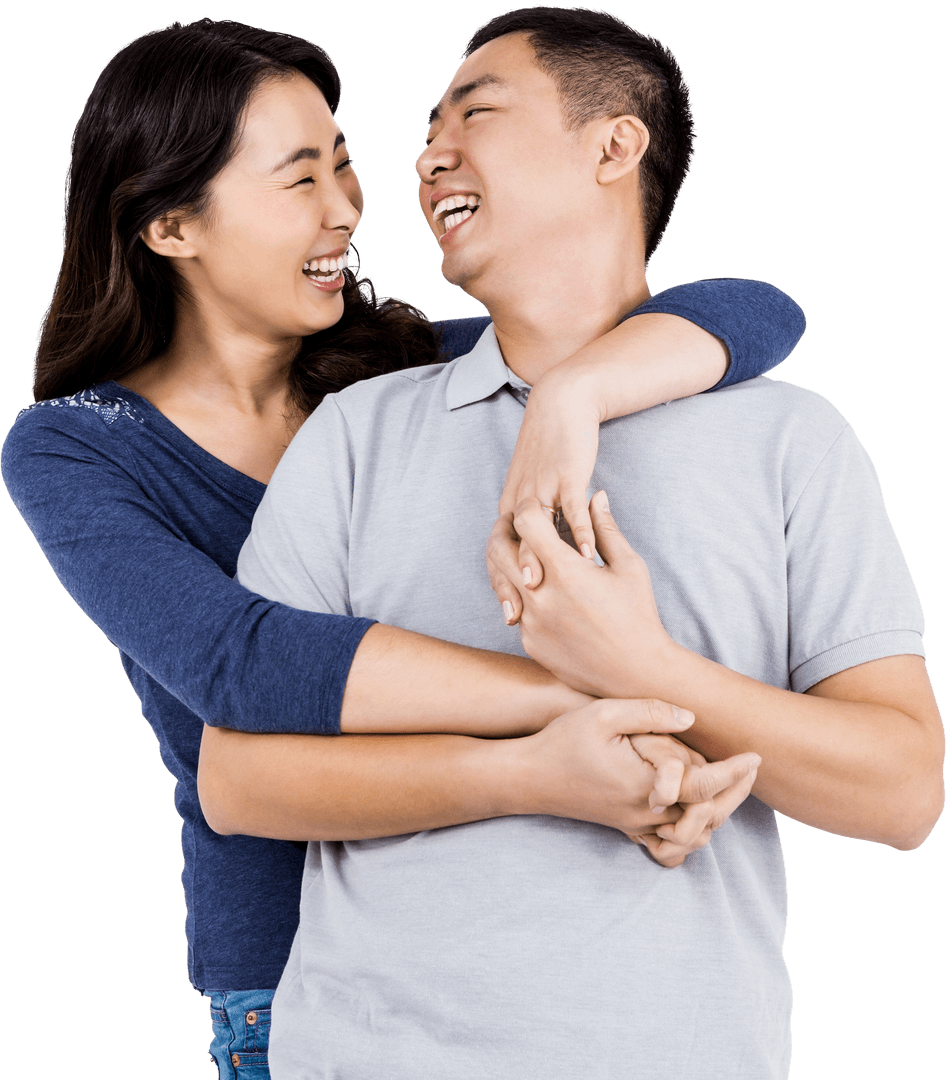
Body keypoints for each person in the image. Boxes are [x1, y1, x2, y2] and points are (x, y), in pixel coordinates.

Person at [1, 16, 806, 1080]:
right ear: (169, 226)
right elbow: (239, 665)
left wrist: (576, 394)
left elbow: (755, 313)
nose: (349, 209)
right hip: (289, 979)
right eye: (300, 180)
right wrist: (591, 698)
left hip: (487, 944)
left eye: (344, 165)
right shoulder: (77, 448)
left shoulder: (398, 373)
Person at [231, 7, 944, 1078]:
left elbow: (901, 794)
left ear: (614, 145)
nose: (428, 155)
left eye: (475, 111)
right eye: (427, 130)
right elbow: (244, 780)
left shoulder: (789, 439)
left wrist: (644, 671)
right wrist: (534, 769)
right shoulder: (354, 433)